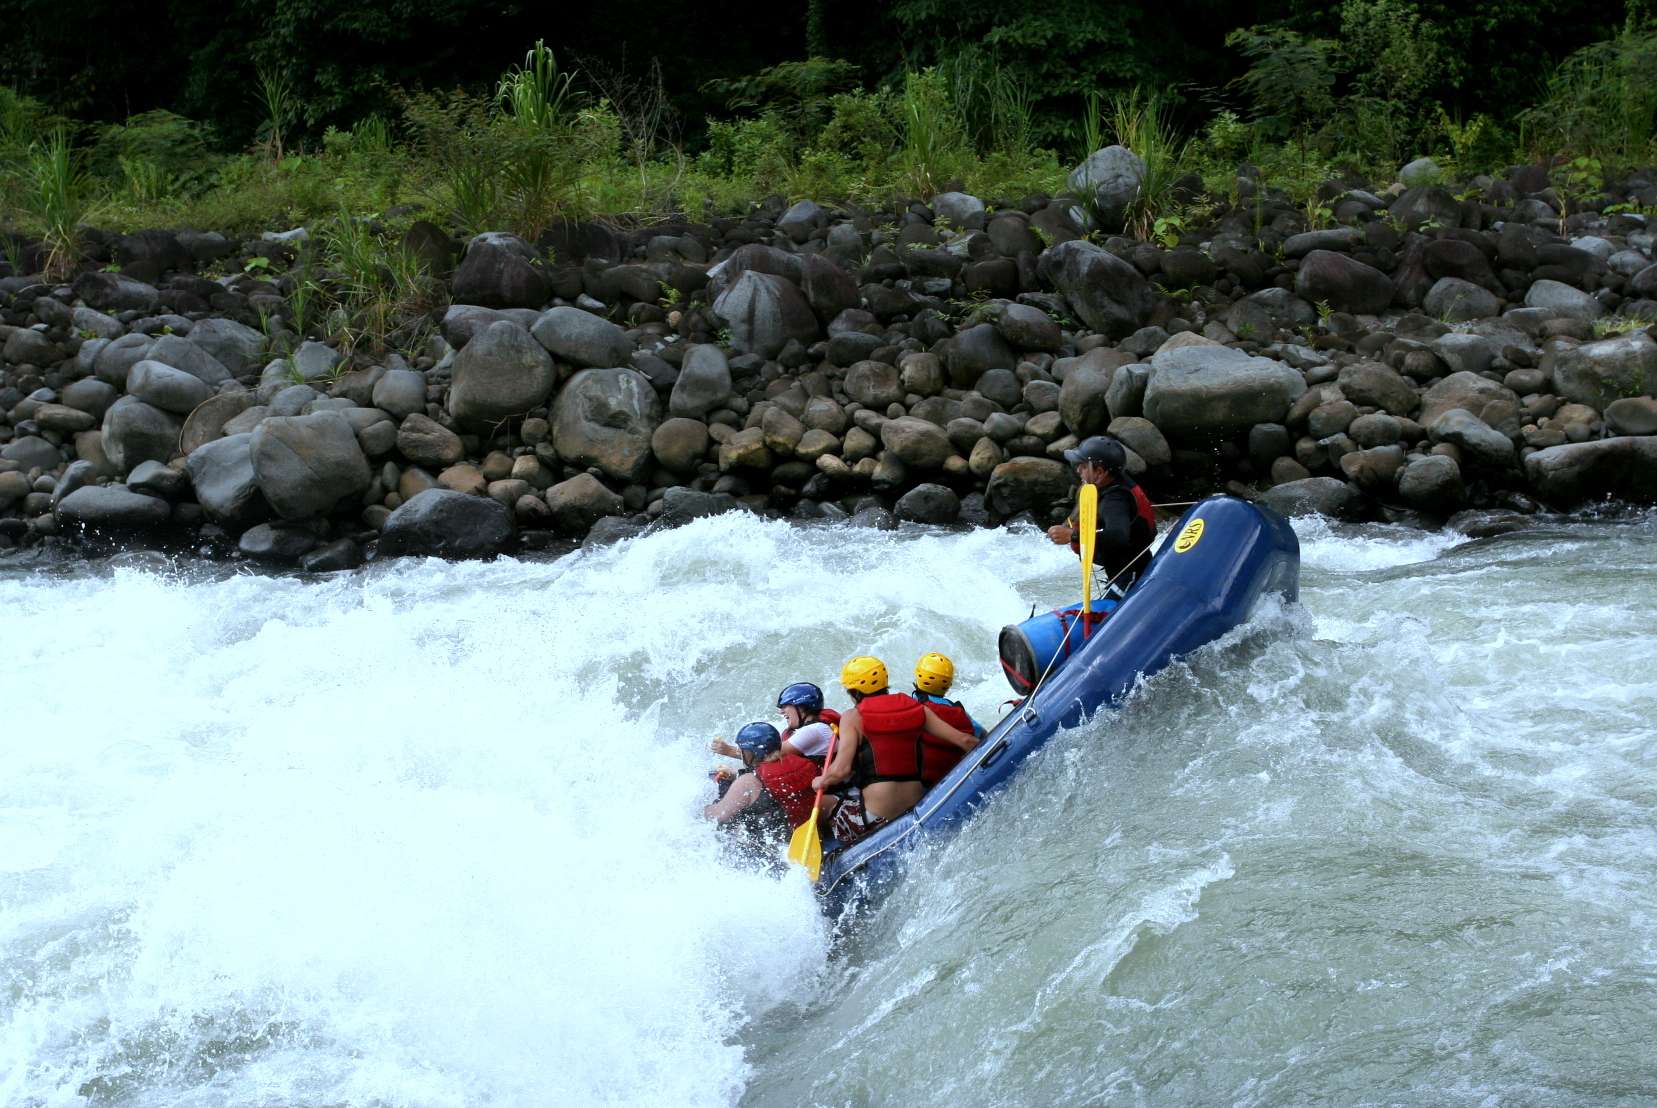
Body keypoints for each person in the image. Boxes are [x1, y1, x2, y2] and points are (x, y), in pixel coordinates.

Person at [814, 656, 979, 847]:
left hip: (877, 818)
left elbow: (840, 770)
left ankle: (830, 855)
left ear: (854, 692)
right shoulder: (916, 708)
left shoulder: (852, 717)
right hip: (916, 807)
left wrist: (819, 781)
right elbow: (964, 740)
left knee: (825, 803)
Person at [1045, 435, 1157, 596]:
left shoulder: (1116, 499)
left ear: (1099, 471)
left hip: (1131, 573)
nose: (1078, 470)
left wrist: (1073, 535)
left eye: (1083, 466)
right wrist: (1065, 527)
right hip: (1125, 568)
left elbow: (1118, 536)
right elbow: (1078, 516)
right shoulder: (1105, 484)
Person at [703, 722, 820, 848]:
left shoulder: (748, 781)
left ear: (752, 753)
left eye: (744, 750)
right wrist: (735, 776)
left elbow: (719, 816)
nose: (742, 754)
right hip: (806, 837)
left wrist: (704, 810)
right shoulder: (806, 764)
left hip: (770, 850)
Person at [709, 682, 840, 765]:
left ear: (801, 707)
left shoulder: (814, 731)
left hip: (837, 796)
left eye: (785, 707)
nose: (781, 712)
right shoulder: (815, 728)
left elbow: (768, 755)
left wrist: (729, 750)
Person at [909, 652, 985, 786]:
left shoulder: (908, 708)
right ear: (948, 684)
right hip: (957, 776)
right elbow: (982, 734)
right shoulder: (956, 710)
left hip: (923, 785)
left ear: (918, 676)